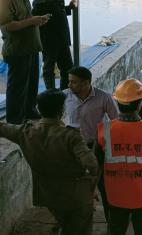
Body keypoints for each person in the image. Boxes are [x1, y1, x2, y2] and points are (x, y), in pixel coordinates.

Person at [0, 89, 98, 235]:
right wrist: (92, 185)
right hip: (76, 195)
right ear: (62, 110)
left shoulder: (25, 132)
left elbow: (2, 128)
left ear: (39, 109)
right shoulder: (71, 136)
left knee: (66, 223)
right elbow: (92, 164)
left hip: (48, 194)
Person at [96, 78, 142, 235]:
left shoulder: (103, 130)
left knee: (115, 230)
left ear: (117, 103)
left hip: (115, 195)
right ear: (139, 104)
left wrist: (92, 188)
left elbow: (97, 164)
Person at [63, 66, 118, 223]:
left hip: (96, 147)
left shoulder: (104, 98)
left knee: (103, 185)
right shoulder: (64, 97)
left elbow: (116, 121)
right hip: (71, 148)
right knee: (74, 184)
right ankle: (75, 220)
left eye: (74, 82)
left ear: (86, 83)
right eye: (69, 81)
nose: (69, 85)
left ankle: (111, 221)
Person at [0, 0, 50, 124]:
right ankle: (15, 119)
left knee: (31, 82)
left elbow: (26, 18)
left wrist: (37, 20)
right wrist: (32, 21)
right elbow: (7, 25)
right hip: (17, 49)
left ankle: (29, 110)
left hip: (31, 47)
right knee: (17, 86)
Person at [32, 0, 75, 90]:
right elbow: (37, 20)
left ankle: (64, 92)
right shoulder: (42, 0)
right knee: (49, 69)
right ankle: (51, 93)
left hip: (61, 38)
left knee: (67, 68)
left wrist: (69, 8)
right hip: (50, 41)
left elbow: (57, 12)